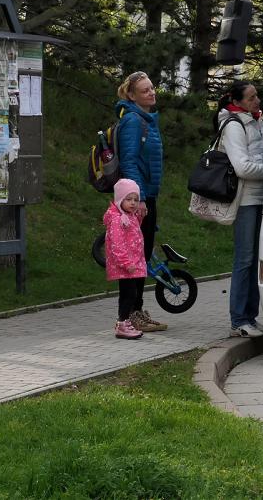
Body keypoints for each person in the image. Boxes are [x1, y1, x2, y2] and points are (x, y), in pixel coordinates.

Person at [217, 80, 263, 338]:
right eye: (251, 97)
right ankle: (238, 318)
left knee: (256, 260)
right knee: (245, 259)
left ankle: (249, 315)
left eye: (256, 95)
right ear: (237, 102)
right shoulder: (234, 125)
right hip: (245, 199)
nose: (257, 100)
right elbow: (243, 167)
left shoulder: (255, 120)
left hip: (261, 197)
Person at [115, 71, 167, 333]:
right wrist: (140, 199)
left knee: (142, 256)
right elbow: (129, 161)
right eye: (145, 90)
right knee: (135, 258)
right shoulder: (134, 121)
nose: (151, 93)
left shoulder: (147, 120)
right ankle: (129, 315)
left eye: (152, 88)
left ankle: (136, 311)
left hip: (147, 197)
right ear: (132, 95)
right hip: (138, 201)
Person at [105, 179, 146, 340]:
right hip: (125, 265)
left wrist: (140, 218)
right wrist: (126, 263)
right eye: (129, 199)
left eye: (136, 199)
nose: (133, 203)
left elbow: (133, 233)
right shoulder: (117, 219)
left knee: (129, 293)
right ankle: (123, 322)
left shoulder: (128, 216)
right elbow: (117, 244)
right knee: (129, 294)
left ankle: (123, 322)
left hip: (132, 263)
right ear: (120, 199)